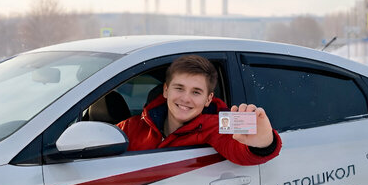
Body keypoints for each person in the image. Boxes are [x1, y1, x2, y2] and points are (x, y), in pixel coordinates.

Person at [117, 54, 281, 166]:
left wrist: (264, 142)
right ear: (166, 90)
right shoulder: (131, 127)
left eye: (196, 92)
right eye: (179, 88)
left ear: (208, 99)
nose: (185, 98)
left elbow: (239, 150)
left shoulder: (219, 125)